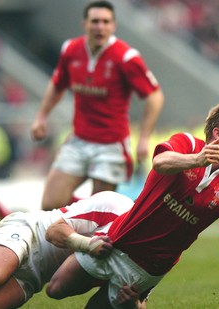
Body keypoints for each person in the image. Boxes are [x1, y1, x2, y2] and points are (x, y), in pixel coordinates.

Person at [45, 102, 219, 309]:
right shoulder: (187, 143)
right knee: (55, 290)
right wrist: (197, 159)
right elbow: (159, 162)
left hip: (146, 270)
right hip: (116, 241)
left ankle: (130, 303)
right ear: (218, 134)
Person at [31, 0, 164, 211]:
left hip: (111, 145)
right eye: (95, 21)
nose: (100, 27)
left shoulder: (126, 57)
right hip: (78, 140)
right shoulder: (71, 50)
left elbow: (154, 96)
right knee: (50, 204)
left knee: (97, 211)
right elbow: (57, 85)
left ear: (113, 26)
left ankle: (87, 234)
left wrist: (145, 137)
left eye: (105, 22)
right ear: (85, 24)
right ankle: (75, 223)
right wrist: (41, 116)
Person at [0, 191, 137, 308]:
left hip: (36, 276)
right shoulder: (116, 204)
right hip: (29, 232)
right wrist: (89, 244)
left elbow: (142, 299)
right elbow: (53, 232)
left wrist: (133, 303)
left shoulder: (147, 249)